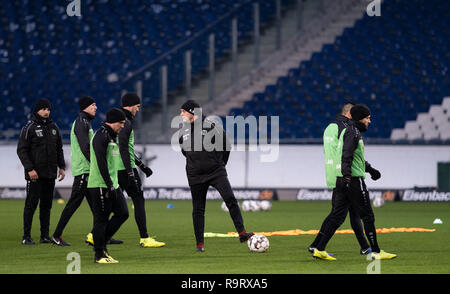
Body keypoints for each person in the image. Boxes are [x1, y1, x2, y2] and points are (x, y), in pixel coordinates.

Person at [310, 104, 396, 261]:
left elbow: (352, 157)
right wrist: (348, 178)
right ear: (360, 118)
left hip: (342, 178)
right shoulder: (353, 132)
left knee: (337, 216)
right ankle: (375, 251)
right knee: (367, 216)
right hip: (354, 180)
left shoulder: (347, 131)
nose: (369, 121)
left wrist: (370, 170)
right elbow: (346, 156)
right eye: (368, 118)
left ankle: (319, 248)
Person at [178, 100, 253, 252]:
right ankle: (200, 244)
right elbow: (184, 152)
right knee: (198, 209)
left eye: (183, 111)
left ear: (193, 112)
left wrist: (220, 164)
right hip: (195, 175)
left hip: (215, 172)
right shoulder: (183, 132)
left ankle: (242, 233)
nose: (181, 114)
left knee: (230, 199)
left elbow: (226, 146)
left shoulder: (212, 127)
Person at [308, 102, 372, 256]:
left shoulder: (330, 127)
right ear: (350, 114)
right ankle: (318, 246)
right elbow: (346, 154)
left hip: (334, 173)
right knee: (339, 214)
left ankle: (364, 246)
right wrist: (349, 175)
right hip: (345, 175)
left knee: (348, 212)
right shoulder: (347, 128)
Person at [117, 93, 165, 248]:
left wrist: (142, 165)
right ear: (131, 105)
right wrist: (130, 170)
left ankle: (94, 235)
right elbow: (124, 147)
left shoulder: (114, 120)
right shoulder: (126, 122)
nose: (137, 110)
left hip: (114, 168)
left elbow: (123, 147)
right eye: (137, 107)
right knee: (138, 200)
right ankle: (144, 238)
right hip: (125, 168)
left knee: (113, 204)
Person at [17, 98, 66, 245]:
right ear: (37, 110)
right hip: (35, 174)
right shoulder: (29, 127)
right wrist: (30, 169)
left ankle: (44, 236)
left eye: (48, 109)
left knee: (46, 206)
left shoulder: (54, 127)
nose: (46, 112)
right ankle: (26, 236)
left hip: (50, 173)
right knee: (31, 205)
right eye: (43, 109)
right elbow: (22, 150)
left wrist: (61, 167)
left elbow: (59, 149)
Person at [88, 108, 129, 263]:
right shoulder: (100, 136)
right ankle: (99, 254)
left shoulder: (112, 136)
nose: (123, 126)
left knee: (123, 213)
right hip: (100, 184)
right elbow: (101, 162)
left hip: (112, 183)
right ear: (112, 122)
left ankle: (101, 243)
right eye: (121, 123)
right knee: (101, 220)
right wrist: (109, 185)